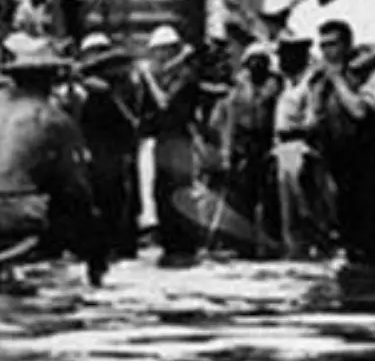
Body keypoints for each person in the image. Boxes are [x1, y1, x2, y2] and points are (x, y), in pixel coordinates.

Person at [0, 34, 108, 285]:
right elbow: (77, 186)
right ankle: (94, 272)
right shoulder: (52, 118)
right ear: (49, 79)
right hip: (15, 215)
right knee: (82, 204)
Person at [317, 22, 375, 266]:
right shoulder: (326, 80)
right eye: (323, 46)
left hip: (371, 162)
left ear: (347, 44)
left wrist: (338, 80)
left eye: (333, 44)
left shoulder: (373, 75)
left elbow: (360, 111)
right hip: (341, 163)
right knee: (349, 231)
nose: (327, 52)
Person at [77, 39, 148, 260]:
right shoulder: (100, 90)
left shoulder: (119, 89)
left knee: (115, 200)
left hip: (113, 154)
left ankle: (118, 246)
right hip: (107, 153)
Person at [141, 24, 207, 257]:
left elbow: (167, 104)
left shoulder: (186, 74)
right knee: (161, 191)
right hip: (163, 141)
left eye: (161, 51)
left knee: (180, 190)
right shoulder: (161, 75)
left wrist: (150, 81)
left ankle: (185, 242)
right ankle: (170, 241)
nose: (157, 57)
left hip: (180, 141)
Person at [271, 37, 332, 258]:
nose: (281, 61)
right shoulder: (288, 83)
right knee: (289, 216)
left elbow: (314, 121)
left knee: (308, 211)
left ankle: (320, 254)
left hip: (301, 150)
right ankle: (296, 255)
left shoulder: (311, 84)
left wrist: (295, 133)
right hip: (283, 151)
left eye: (285, 56)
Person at [217, 44, 281, 244]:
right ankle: (242, 242)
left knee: (270, 195)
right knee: (243, 194)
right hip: (243, 142)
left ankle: (271, 239)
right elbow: (230, 121)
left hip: (267, 140)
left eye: (261, 60)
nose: (256, 65)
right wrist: (226, 151)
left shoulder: (275, 84)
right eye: (252, 60)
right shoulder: (238, 87)